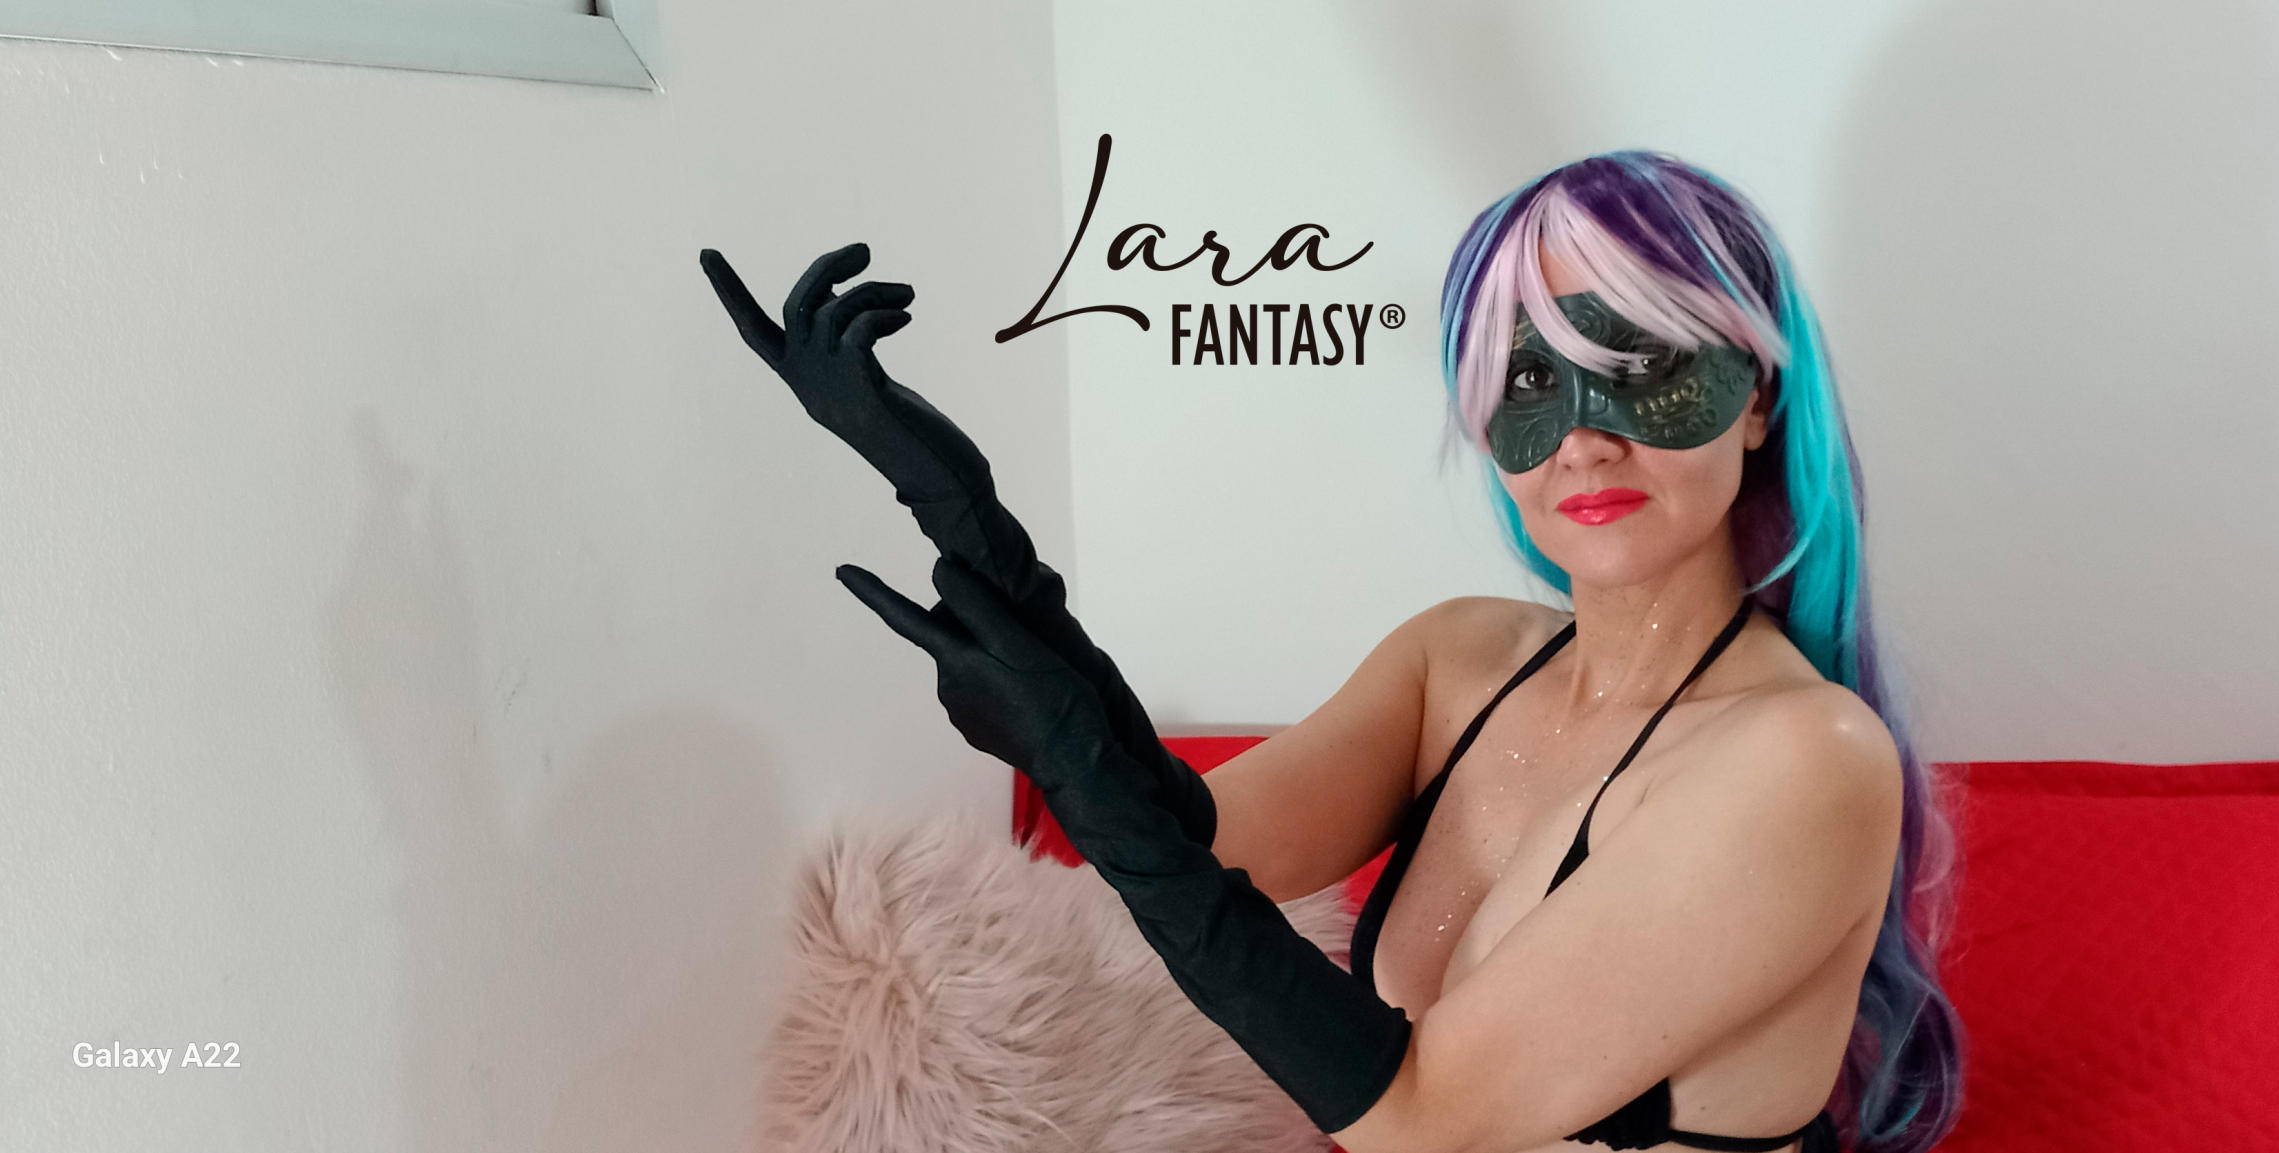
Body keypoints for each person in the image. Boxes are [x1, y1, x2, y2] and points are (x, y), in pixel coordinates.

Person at [699, 148, 1963, 1153]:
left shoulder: (1806, 758)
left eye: (1637, 363)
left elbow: (1419, 1116)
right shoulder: (1463, 659)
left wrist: (1076, 761)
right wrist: (961, 513)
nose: (1582, 438)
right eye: (1530, 379)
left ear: (1756, 396)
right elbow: (1190, 844)